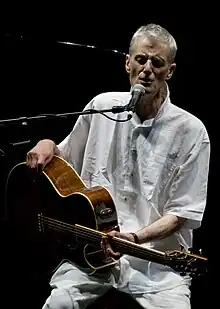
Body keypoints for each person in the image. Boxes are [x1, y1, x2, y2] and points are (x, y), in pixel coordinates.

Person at [26, 23, 210, 309]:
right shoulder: (102, 106)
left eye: (157, 62)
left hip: (156, 268)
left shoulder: (191, 131)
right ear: (128, 63)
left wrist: (134, 237)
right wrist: (47, 144)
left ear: (170, 71)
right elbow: (63, 160)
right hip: (90, 257)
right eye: (141, 59)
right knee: (58, 304)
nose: (147, 68)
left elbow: (182, 213)